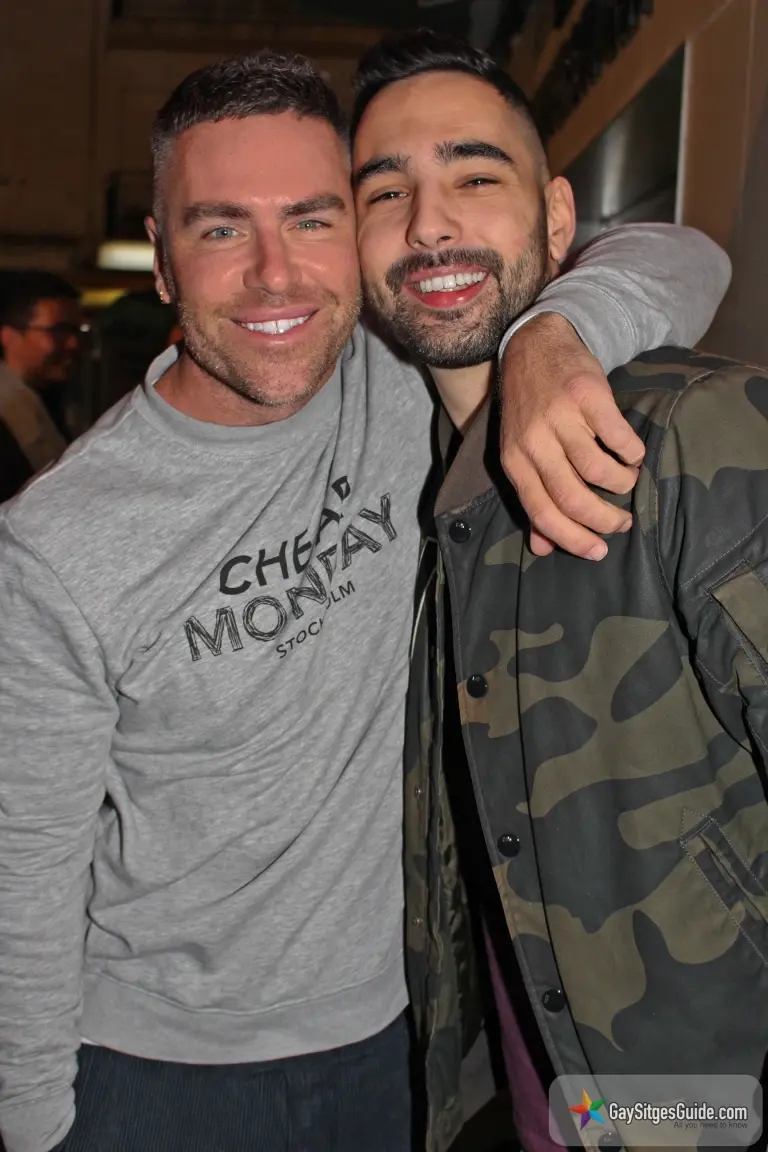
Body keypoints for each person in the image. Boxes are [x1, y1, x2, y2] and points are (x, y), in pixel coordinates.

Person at [0, 52, 728, 1152]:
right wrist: (32, 1124)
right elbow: (23, 871)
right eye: (220, 228)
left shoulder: (397, 372)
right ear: (160, 261)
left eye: (312, 218)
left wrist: (556, 336)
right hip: (157, 1071)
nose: (275, 276)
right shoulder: (58, 543)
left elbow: (685, 254)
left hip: (404, 1037)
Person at [350, 28, 768, 1152]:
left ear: (556, 220)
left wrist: (552, 329)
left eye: (475, 176)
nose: (428, 223)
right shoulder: (423, 482)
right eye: (385, 191)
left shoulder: (699, 434)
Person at [0, 270, 81, 500]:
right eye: (58, 331)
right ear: (8, 336)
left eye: (75, 331)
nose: (73, 344)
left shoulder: (54, 401)